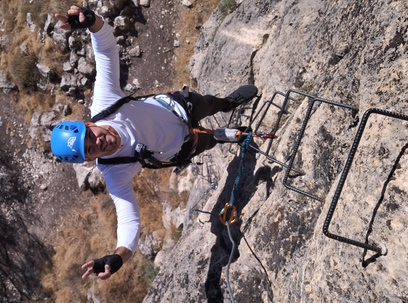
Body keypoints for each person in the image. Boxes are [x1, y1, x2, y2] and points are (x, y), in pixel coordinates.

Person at [51, 6, 258, 280]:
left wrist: (92, 22)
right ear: (89, 160)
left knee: (209, 103)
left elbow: (106, 51)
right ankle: (219, 136)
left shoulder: (105, 104)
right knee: (207, 142)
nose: (98, 143)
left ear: (88, 124)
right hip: (182, 146)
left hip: (177, 107)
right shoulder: (114, 171)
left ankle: (229, 103)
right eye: (90, 150)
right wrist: (119, 256)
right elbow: (129, 220)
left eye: (89, 136)